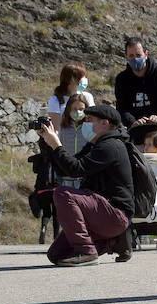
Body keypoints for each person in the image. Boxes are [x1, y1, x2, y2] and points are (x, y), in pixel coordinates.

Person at [36, 103, 134, 266]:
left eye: (89, 119)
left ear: (105, 123)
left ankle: (87, 252)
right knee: (56, 255)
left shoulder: (111, 146)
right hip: (98, 213)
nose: (85, 123)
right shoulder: (95, 145)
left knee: (63, 193)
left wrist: (57, 145)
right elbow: (65, 170)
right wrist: (48, 143)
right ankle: (114, 242)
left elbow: (76, 170)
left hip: (115, 214)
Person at [114, 37, 157, 130]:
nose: (135, 59)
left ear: (146, 54)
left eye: (138, 55)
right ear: (126, 56)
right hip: (136, 130)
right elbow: (122, 108)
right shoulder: (121, 79)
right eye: (131, 56)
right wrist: (132, 122)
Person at [47, 64, 88, 133]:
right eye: (82, 77)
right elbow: (55, 129)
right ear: (72, 79)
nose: (85, 80)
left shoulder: (87, 97)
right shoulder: (55, 100)